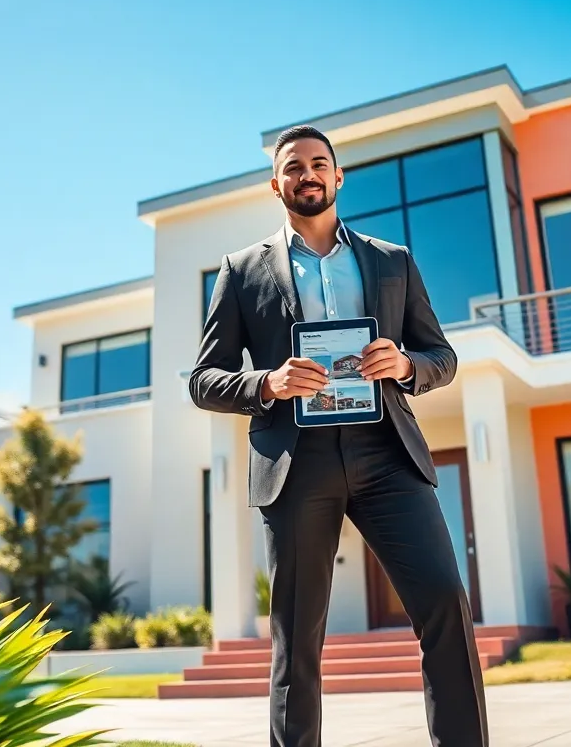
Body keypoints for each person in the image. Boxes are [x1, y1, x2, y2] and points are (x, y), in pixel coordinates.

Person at [190, 125, 488, 746]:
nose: (308, 174)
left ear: (339, 176)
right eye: (293, 167)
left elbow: (443, 357)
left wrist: (406, 366)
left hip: (387, 454)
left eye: (319, 163)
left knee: (444, 604)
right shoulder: (242, 271)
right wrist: (267, 383)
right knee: (297, 637)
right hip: (297, 465)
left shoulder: (391, 261)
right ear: (276, 184)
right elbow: (203, 379)